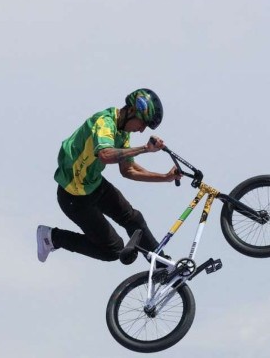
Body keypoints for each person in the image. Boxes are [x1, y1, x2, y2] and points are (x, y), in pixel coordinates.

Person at [37, 88, 181, 263]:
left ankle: (161, 266)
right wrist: (145, 149)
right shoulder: (105, 123)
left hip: (94, 185)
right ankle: (52, 237)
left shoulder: (123, 131)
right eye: (142, 123)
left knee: (134, 219)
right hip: (73, 197)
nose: (142, 130)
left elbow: (128, 170)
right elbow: (105, 154)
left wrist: (165, 177)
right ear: (131, 111)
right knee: (113, 250)